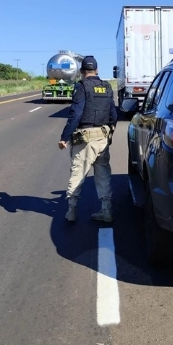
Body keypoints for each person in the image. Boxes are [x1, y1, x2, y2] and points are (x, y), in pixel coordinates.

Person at [58, 55, 118, 223]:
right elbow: (113, 114)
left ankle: (71, 211)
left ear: (82, 72)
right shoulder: (106, 87)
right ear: (97, 70)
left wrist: (65, 137)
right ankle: (106, 210)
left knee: (78, 173)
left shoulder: (82, 87)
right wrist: (110, 133)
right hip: (102, 138)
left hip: (85, 139)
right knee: (103, 175)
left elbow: (76, 114)